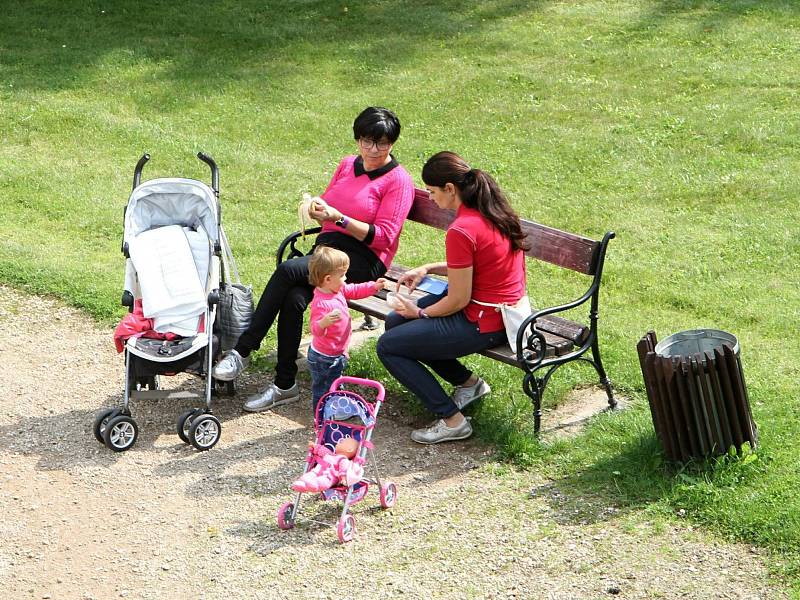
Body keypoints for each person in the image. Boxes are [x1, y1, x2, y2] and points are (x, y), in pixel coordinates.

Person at [213, 107, 414, 412]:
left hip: (361, 260)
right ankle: (284, 385)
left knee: (286, 271)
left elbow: (384, 236)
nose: (373, 150)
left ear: (392, 143)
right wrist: (317, 208)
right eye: (366, 141)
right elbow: (330, 202)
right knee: (293, 299)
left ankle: (244, 349)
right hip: (326, 252)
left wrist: (340, 219)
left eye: (382, 143)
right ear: (357, 139)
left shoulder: (398, 181)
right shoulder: (348, 164)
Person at [376, 151, 529, 444]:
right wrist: (428, 268)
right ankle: (468, 384)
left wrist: (420, 314)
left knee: (389, 346)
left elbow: (458, 299)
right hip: (503, 312)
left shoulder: (462, 229)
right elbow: (476, 268)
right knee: (396, 322)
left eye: (432, 192)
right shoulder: (493, 212)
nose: (430, 198)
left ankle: (452, 419)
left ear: (450, 189)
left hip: (484, 322)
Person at [306, 246, 388, 409]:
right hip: (323, 357)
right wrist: (323, 323)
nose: (346, 278)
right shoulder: (322, 303)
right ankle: (321, 414)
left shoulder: (338, 289)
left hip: (336, 352)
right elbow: (315, 330)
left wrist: (373, 286)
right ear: (328, 279)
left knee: (334, 380)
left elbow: (355, 290)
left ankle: (336, 405)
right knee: (322, 388)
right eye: (342, 275)